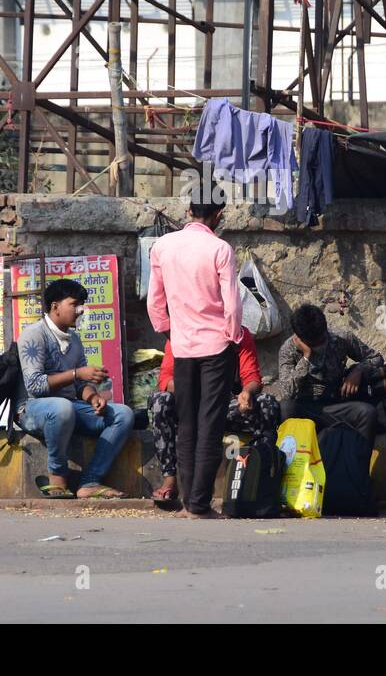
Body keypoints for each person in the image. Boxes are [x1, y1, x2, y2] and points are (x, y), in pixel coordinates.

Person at [146, 198, 242, 518]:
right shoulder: (220, 249)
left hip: (182, 346)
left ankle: (189, 502)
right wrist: (233, 337)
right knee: (210, 425)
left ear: (188, 212)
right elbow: (232, 304)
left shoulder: (163, 246)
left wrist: (168, 331)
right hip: (216, 346)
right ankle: (199, 504)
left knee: (186, 424)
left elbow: (155, 301)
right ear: (218, 215)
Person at [17, 278, 133, 499]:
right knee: (62, 408)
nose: (80, 311)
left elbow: (81, 385)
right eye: (74, 304)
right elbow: (35, 385)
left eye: (82, 305)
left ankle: (90, 481)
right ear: (55, 306)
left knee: (123, 414)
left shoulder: (75, 340)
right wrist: (76, 374)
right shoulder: (34, 334)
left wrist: (92, 398)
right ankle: (57, 476)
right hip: (31, 410)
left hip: (71, 409)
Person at [148, 328, 279, 506]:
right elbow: (165, 380)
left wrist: (246, 393)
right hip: (190, 407)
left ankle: (258, 478)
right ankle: (170, 479)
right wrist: (195, 393)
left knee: (267, 404)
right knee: (160, 401)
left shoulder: (237, 334)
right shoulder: (183, 332)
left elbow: (252, 377)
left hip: (225, 407)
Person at [275, 303, 385, 444]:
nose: (321, 345)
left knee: (367, 413)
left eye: (322, 339)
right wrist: (306, 357)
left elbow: (376, 358)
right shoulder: (288, 349)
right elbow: (286, 393)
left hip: (335, 405)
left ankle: (357, 462)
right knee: (286, 408)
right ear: (300, 338)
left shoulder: (342, 338)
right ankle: (294, 462)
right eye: (314, 344)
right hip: (306, 408)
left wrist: (359, 370)